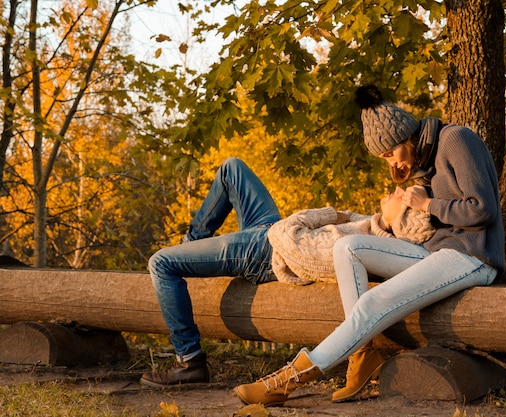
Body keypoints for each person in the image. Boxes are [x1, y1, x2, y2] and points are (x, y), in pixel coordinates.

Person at [233, 84, 505, 406]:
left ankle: (286, 380)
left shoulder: (456, 140)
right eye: (383, 158)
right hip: (437, 252)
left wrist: (427, 204)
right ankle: (362, 356)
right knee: (346, 248)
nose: (391, 163)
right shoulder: (425, 162)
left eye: (390, 153)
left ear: (406, 138)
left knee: (374, 302)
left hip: (472, 257)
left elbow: (482, 209)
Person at [140, 157, 434, 387]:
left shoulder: (361, 245)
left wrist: (313, 217)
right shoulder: (370, 222)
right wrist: (312, 219)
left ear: (404, 218)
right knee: (232, 168)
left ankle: (190, 361)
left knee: (161, 263)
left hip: (262, 253)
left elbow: (297, 247)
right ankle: (190, 245)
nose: (397, 189)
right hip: (269, 232)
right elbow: (314, 223)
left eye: (403, 196)